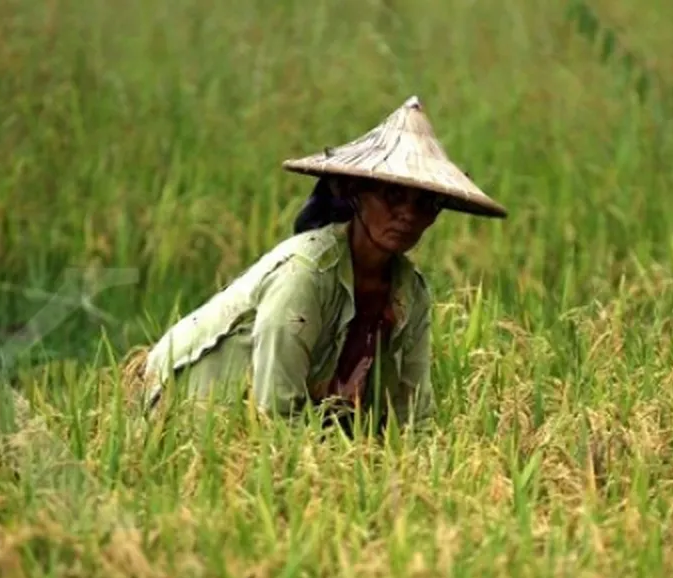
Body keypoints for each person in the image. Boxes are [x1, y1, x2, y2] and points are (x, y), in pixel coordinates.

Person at [136, 96, 507, 433]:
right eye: (393, 196)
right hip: (189, 414)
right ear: (353, 193)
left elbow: (413, 417)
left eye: (425, 204)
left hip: (285, 427)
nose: (407, 215)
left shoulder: (410, 292)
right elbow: (274, 416)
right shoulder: (305, 275)